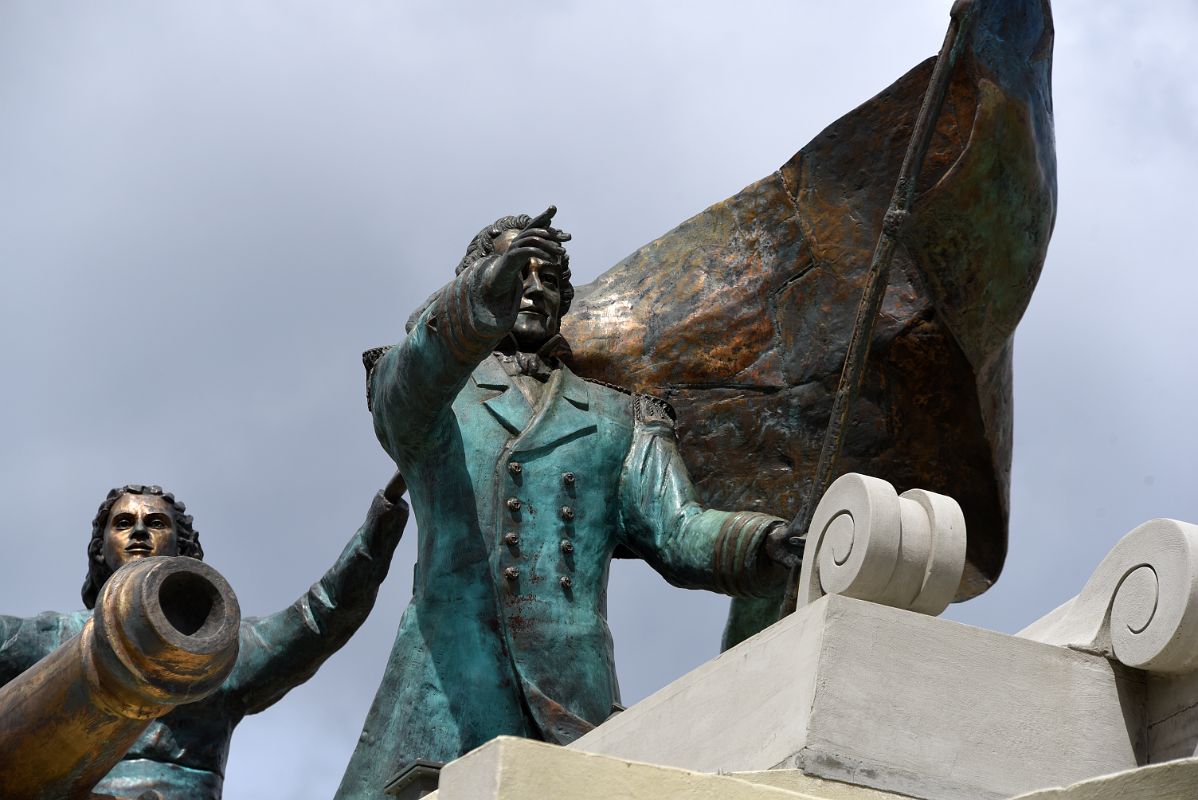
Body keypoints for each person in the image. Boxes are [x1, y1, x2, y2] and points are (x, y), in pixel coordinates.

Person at [336, 207, 801, 797]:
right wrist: (477, 296)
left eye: (548, 280)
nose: (532, 291)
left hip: (572, 696)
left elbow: (680, 532)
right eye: (515, 275)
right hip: (448, 689)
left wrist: (764, 541)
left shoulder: (620, 416)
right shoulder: (432, 393)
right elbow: (414, 373)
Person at [0, 478, 408, 800]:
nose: (139, 531)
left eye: (155, 523)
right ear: (100, 549)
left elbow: (322, 615)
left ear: (182, 545)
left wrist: (378, 529)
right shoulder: (57, 637)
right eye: (123, 523)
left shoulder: (218, 646)